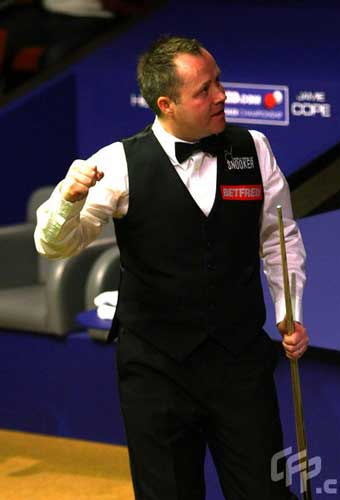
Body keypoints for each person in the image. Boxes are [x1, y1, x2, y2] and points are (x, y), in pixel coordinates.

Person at [35, 35, 308, 500]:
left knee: (265, 490)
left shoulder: (253, 148)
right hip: (156, 368)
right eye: (204, 90)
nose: (221, 95)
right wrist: (67, 198)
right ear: (167, 104)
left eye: (218, 81)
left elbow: (279, 236)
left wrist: (289, 309)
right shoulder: (117, 164)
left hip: (239, 361)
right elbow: (54, 245)